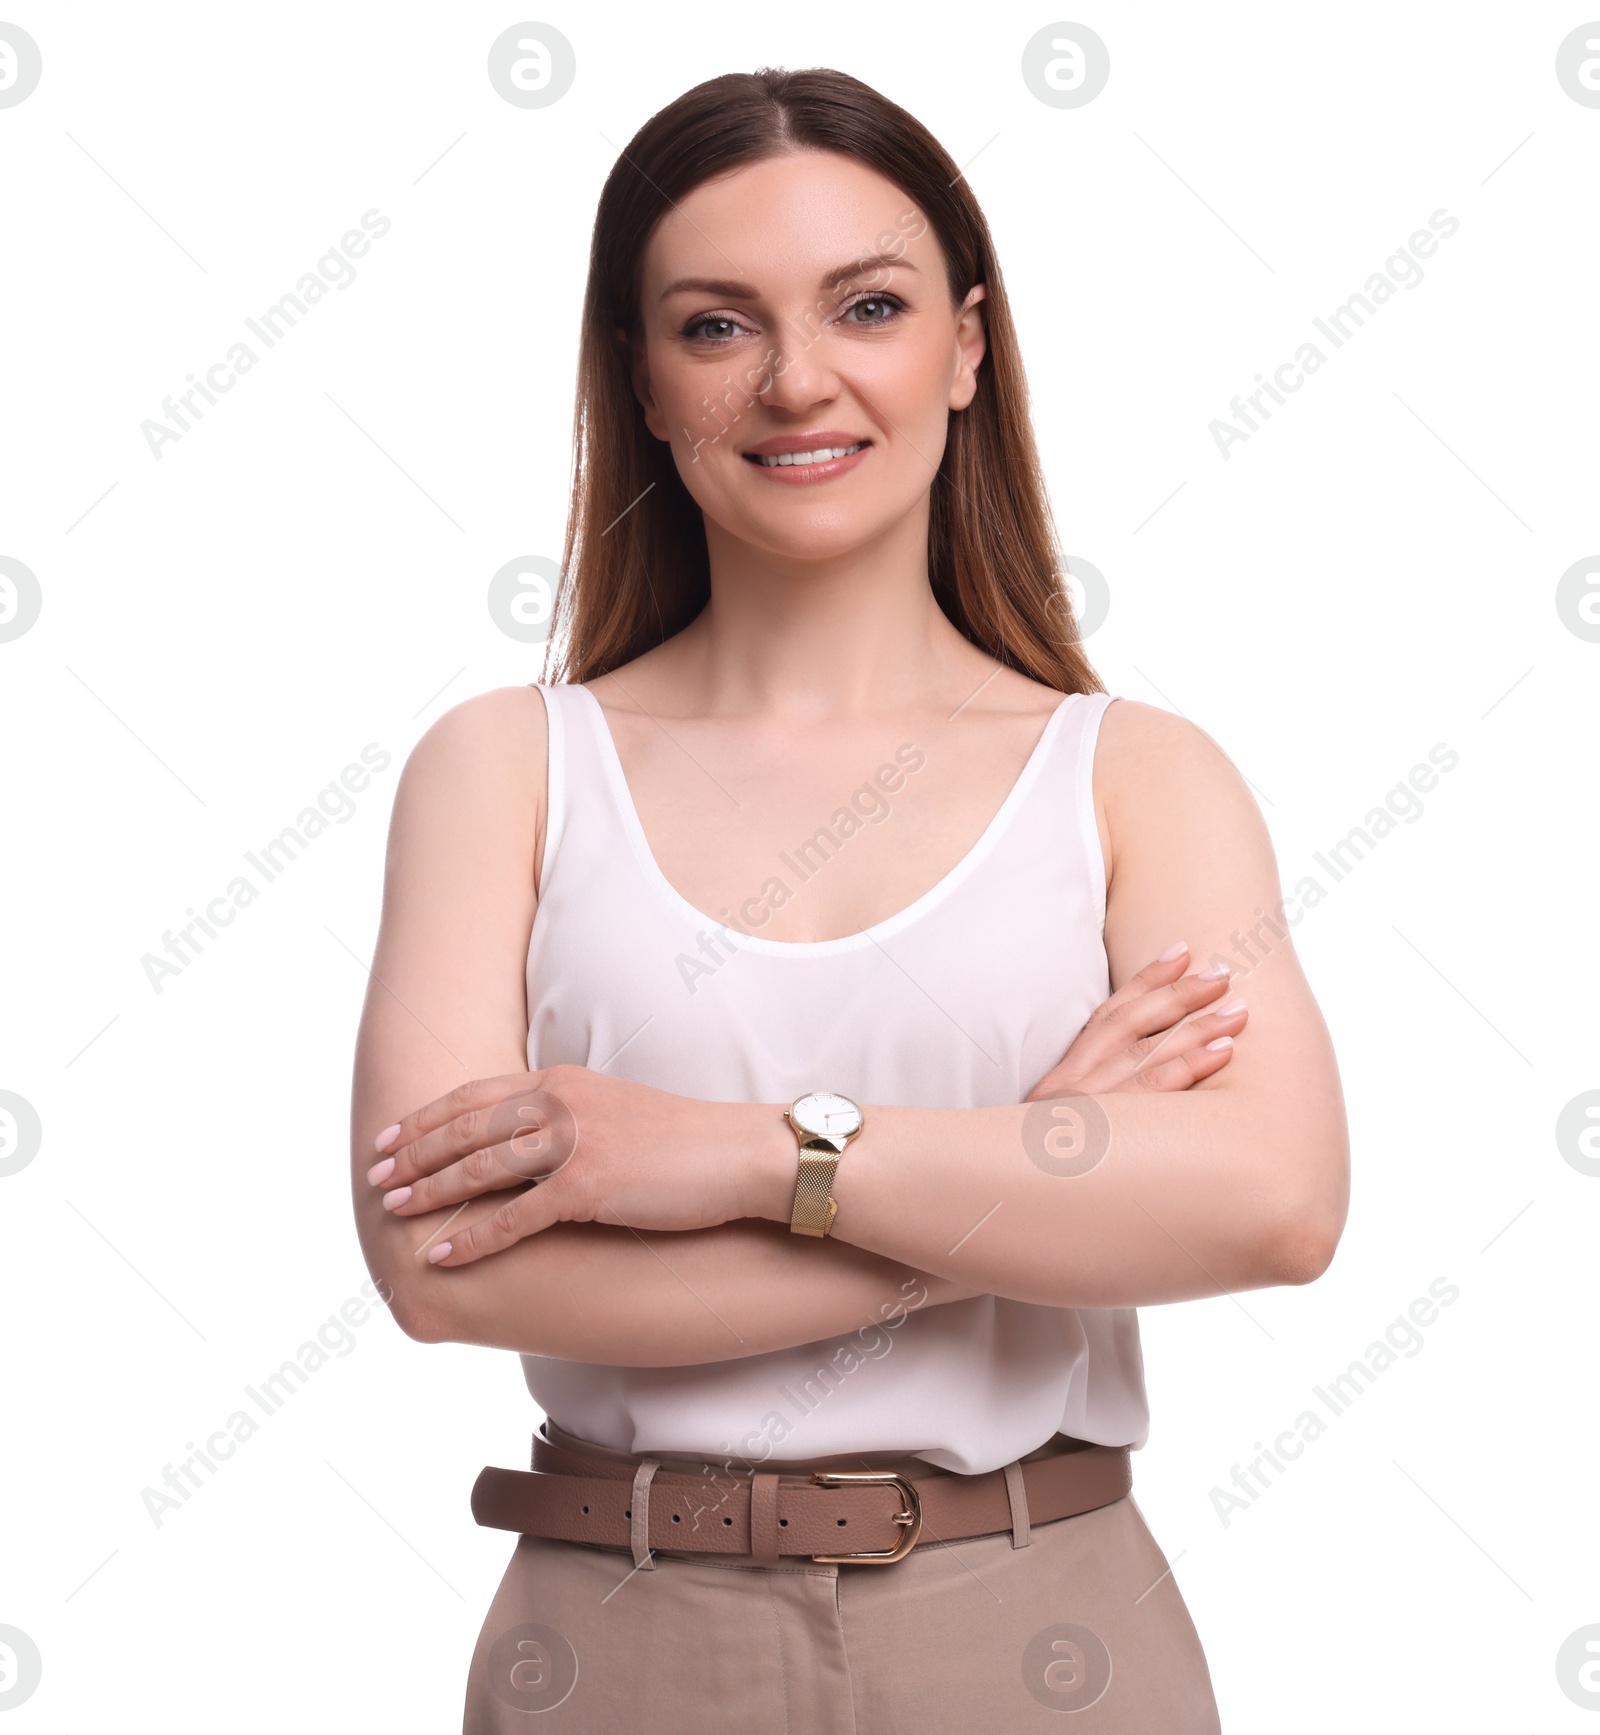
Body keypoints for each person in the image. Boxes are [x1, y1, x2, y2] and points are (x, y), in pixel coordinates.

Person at [349, 66, 1348, 1733]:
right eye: (718, 326)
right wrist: (1019, 1177)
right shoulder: (503, 769)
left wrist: (748, 1155)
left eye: (866, 306)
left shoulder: (1135, 776)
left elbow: (1274, 1206)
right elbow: (448, 1267)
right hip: (618, 1637)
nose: (798, 379)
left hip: (1043, 1628)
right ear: (642, 380)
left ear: (965, 346)